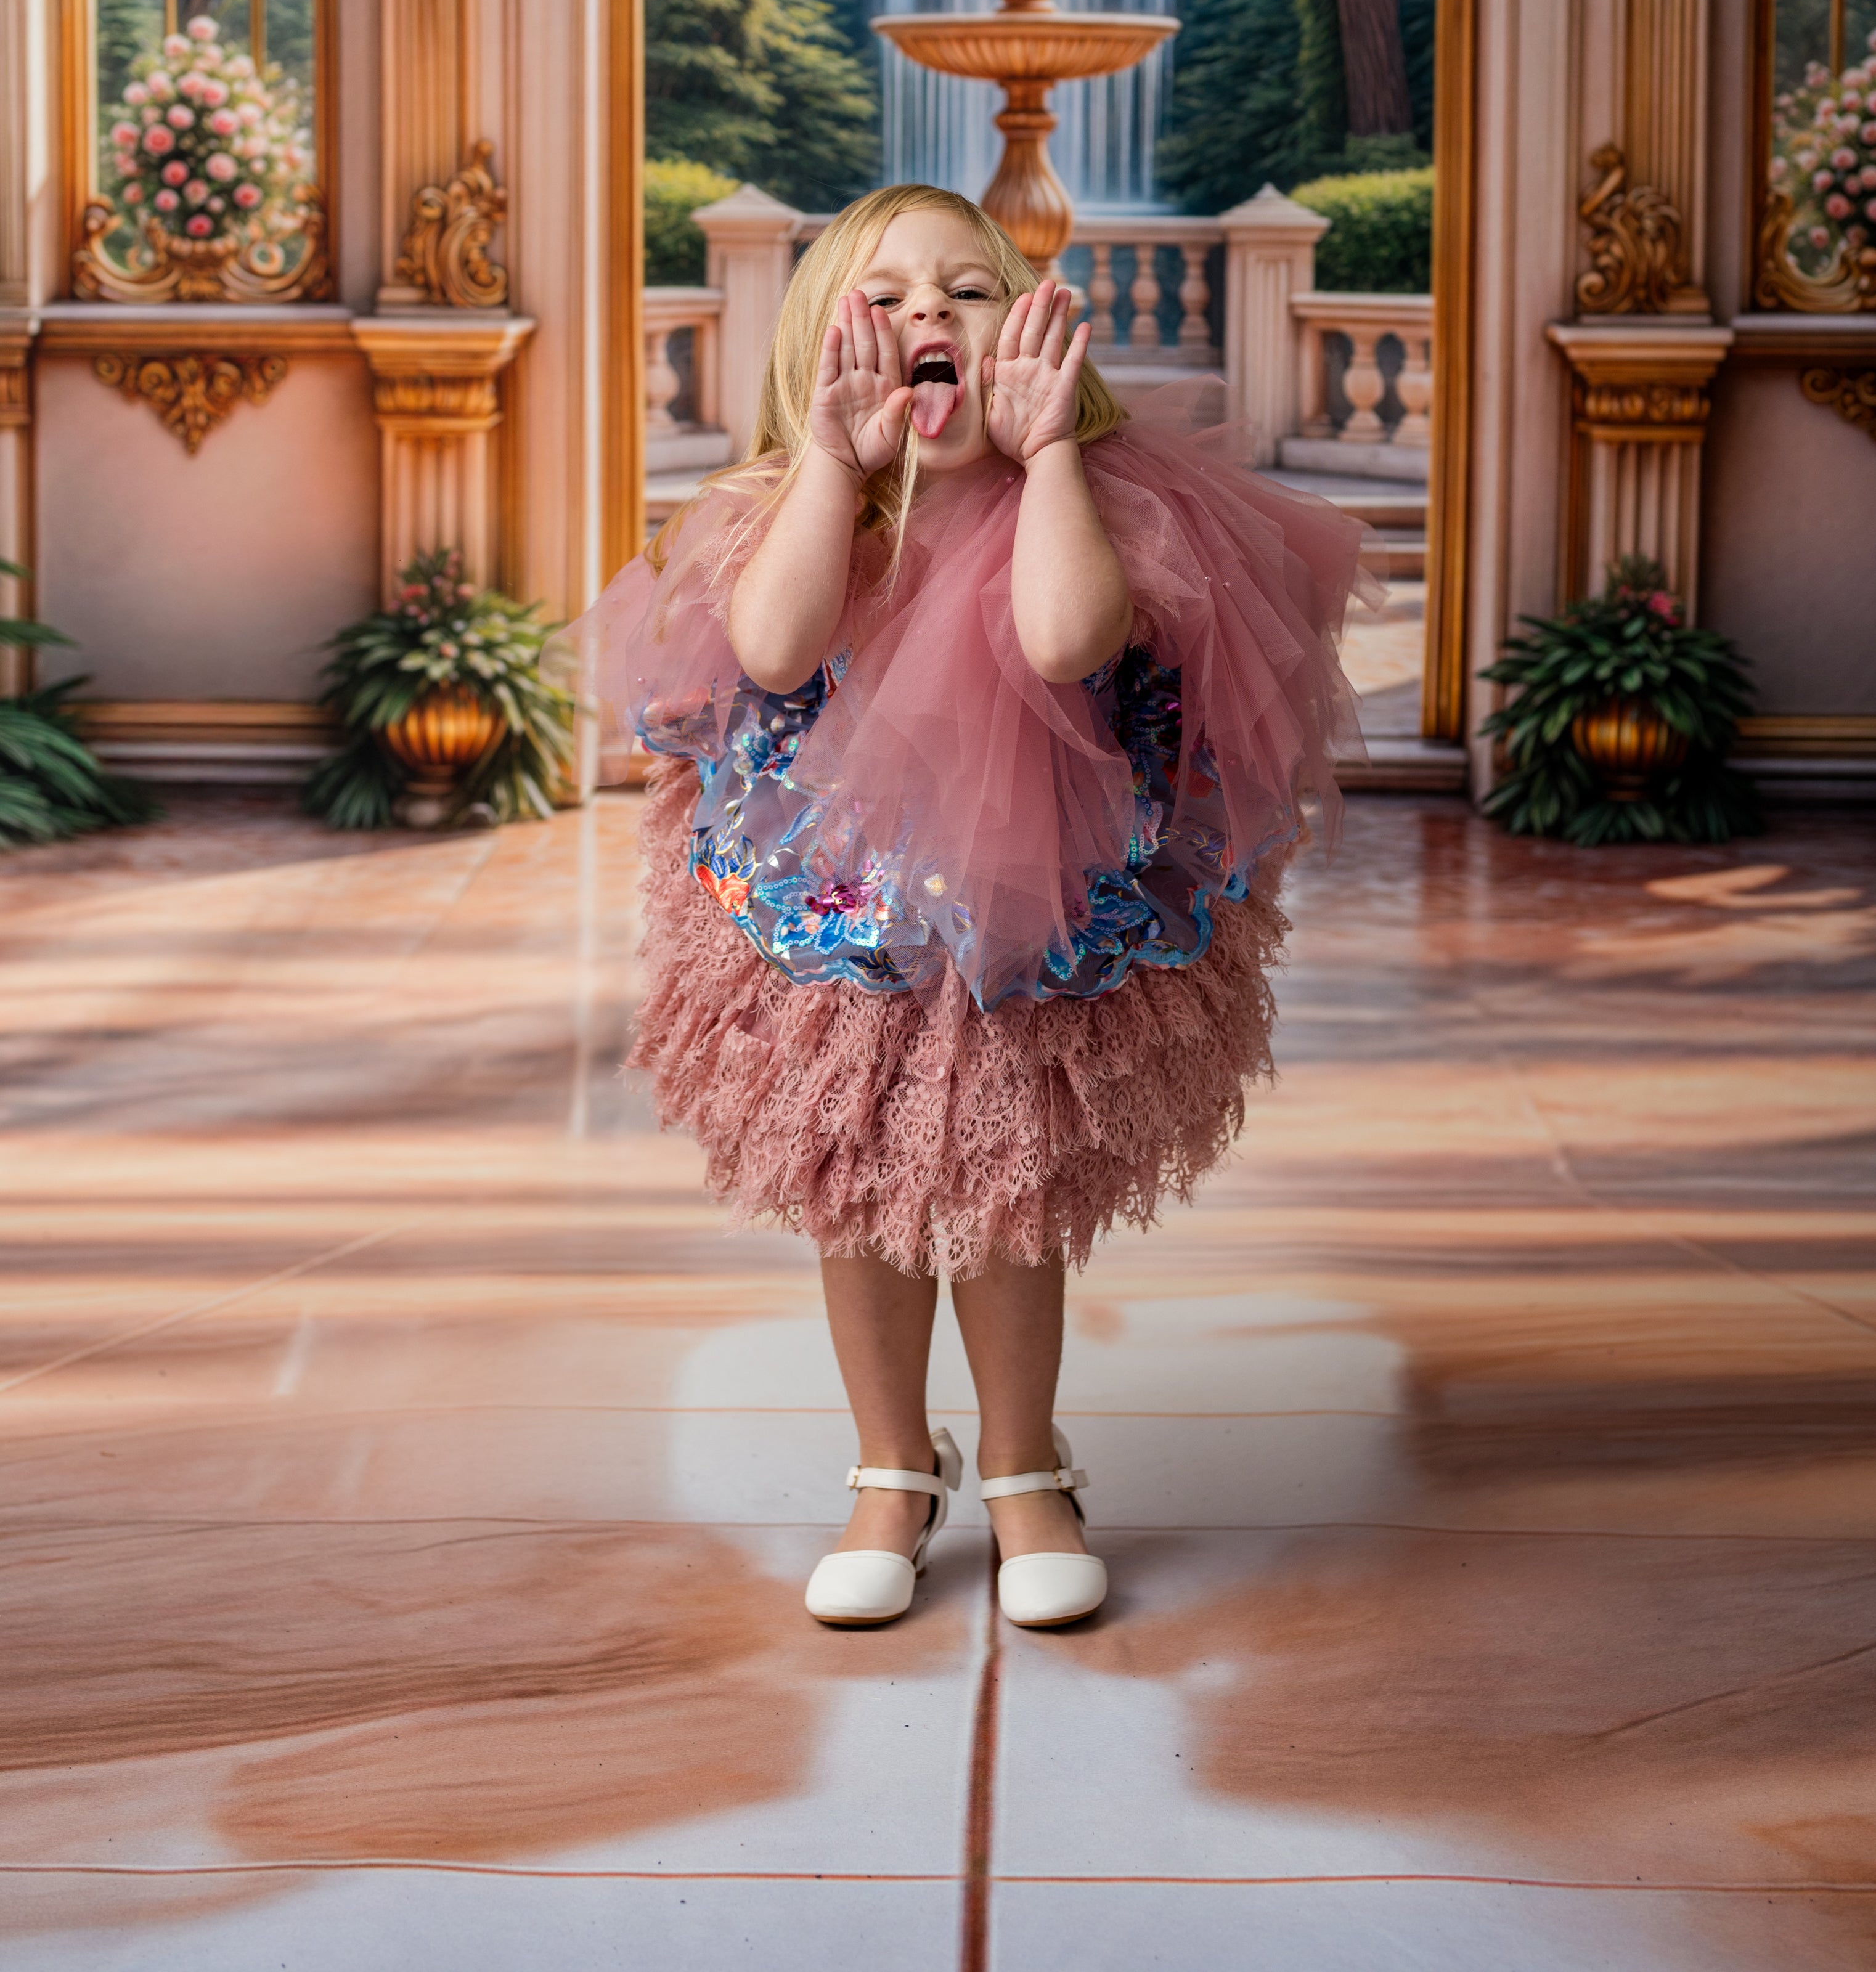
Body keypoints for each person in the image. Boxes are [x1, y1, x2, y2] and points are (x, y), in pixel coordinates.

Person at [568, 185, 1367, 1631]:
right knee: (858, 1188)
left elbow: (1067, 640)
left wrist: (1049, 454)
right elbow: (774, 638)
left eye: (971, 290)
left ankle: (1021, 1462)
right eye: (888, 294)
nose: (931, 312)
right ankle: (891, 1460)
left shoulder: (1100, 510)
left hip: (1026, 917)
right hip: (833, 918)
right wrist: (830, 461)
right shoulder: (782, 504)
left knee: (1005, 1188)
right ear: (826, 343)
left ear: (1038, 343)